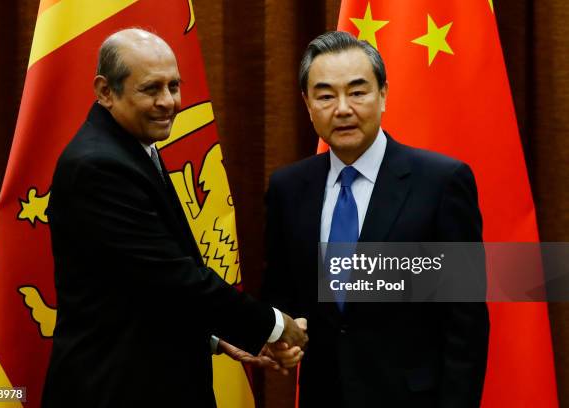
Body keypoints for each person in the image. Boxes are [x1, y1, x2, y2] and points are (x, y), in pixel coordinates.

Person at [41, 28, 306, 408]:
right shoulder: (99, 165)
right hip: (116, 389)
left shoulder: (130, 145)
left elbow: (139, 289)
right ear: (105, 91)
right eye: (151, 89)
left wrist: (217, 338)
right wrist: (275, 326)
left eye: (174, 86)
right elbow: (173, 278)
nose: (169, 102)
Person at [261, 31, 489, 408]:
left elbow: (464, 322)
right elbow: (281, 295)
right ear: (307, 103)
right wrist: (281, 339)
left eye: (358, 91)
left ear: (383, 94)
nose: (343, 108)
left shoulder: (441, 182)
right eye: (325, 95)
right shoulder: (289, 188)